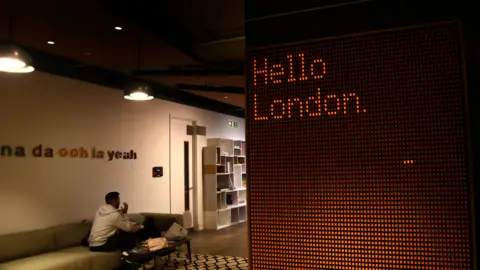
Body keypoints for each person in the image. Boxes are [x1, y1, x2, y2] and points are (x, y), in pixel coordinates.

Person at [89, 191, 161, 252]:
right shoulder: (114, 215)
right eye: (118, 200)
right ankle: (132, 255)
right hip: (101, 245)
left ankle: (142, 245)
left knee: (127, 232)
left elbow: (115, 222)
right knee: (128, 235)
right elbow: (128, 228)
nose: (119, 202)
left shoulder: (100, 211)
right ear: (115, 201)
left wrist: (123, 215)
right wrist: (125, 213)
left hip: (92, 245)